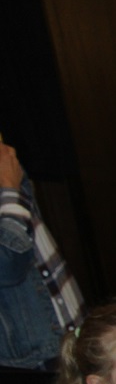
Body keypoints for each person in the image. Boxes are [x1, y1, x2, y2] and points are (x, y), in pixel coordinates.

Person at [0, 141, 85, 370]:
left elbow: (35, 248)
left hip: (72, 331)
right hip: (34, 361)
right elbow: (7, 264)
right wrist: (9, 187)